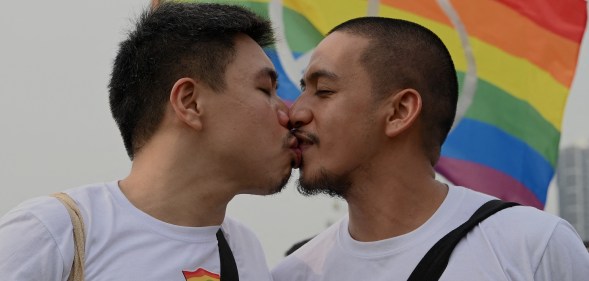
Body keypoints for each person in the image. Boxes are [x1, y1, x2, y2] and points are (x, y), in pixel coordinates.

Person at [272, 17, 589, 280]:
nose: (296, 112)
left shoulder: (532, 246)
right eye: (303, 90)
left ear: (399, 112)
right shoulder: (293, 273)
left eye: (323, 90)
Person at [0, 2, 300, 280]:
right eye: (265, 90)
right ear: (190, 103)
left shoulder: (245, 251)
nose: (290, 112)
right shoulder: (52, 233)